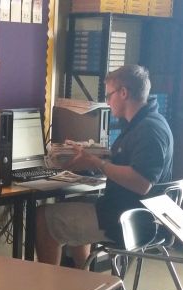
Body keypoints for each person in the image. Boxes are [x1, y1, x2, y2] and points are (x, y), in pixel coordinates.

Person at [35, 65, 173, 268]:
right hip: (133, 211)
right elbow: (132, 160)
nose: (107, 102)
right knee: (81, 201)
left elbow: (142, 182)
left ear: (124, 93)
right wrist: (98, 155)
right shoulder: (149, 121)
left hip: (128, 218)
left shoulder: (148, 130)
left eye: (109, 95)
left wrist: (98, 163)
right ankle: (86, 283)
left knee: (43, 218)